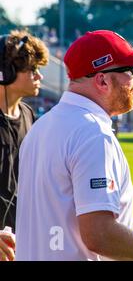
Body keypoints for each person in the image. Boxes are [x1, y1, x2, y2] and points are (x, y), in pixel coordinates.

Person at [15, 30, 133, 261]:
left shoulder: (41, 127)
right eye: (131, 70)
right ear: (102, 80)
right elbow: (99, 234)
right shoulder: (92, 133)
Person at [0, 30, 49, 234]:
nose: (39, 76)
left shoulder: (28, 114)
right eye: (32, 69)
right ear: (6, 72)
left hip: (21, 237)